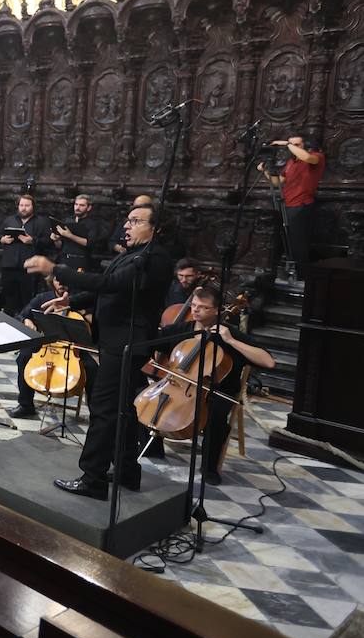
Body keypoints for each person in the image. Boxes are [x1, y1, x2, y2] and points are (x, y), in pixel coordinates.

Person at [26, 203, 172, 499]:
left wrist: (57, 269)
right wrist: (71, 302)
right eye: (127, 221)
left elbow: (111, 282)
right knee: (123, 410)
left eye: (135, 221)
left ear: (154, 228)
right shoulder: (135, 255)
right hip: (116, 341)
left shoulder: (155, 258)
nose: (127, 227)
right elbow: (104, 289)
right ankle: (127, 471)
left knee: (104, 409)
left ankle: (92, 478)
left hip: (127, 343)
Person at [159, 286, 274, 484]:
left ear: (217, 311)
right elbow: (152, 341)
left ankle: (209, 468)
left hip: (218, 392)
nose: (195, 310)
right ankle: (153, 451)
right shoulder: (182, 330)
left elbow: (268, 361)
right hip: (181, 387)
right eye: (194, 305)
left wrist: (231, 341)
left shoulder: (230, 334)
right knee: (140, 398)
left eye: (203, 307)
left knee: (215, 415)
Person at [9, 275, 93, 419]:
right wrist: (27, 321)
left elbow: (93, 324)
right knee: (23, 357)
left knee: (92, 368)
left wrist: (83, 313)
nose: (61, 284)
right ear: (51, 282)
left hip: (73, 347)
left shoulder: (82, 299)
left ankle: (95, 413)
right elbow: (22, 314)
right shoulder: (43, 298)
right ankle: (25, 404)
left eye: (65, 281)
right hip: (46, 344)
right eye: (57, 280)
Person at [259, 134, 325, 272]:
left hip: (301, 205)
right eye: (291, 145)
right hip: (286, 205)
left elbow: (307, 158)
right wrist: (264, 170)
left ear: (304, 146)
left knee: (298, 243)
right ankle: (283, 271)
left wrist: (287, 144)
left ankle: (301, 276)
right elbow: (278, 182)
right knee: (282, 240)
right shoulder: (291, 162)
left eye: (297, 145)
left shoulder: (316, 156)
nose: (292, 148)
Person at [0, 193, 51, 315]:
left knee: (28, 300)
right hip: (9, 266)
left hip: (29, 268)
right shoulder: (9, 220)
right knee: (9, 300)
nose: (23, 208)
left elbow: (48, 242)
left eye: (27, 205)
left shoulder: (41, 222)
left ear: (33, 206)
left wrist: (32, 240)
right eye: (21, 205)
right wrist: (2, 239)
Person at [51, 194, 95, 272]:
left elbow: (89, 243)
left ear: (89, 208)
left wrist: (70, 236)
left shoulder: (92, 223)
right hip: (64, 259)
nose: (77, 208)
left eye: (82, 205)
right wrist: (56, 239)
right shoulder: (68, 220)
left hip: (81, 260)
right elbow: (60, 246)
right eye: (76, 204)